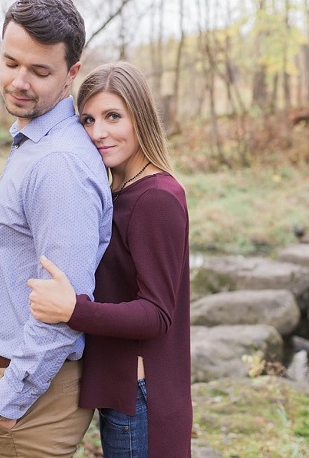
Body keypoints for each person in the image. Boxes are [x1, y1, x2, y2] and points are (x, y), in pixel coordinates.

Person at [0, 0, 113, 458]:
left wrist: (5, 405)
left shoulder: (59, 166)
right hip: (19, 389)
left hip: (28, 404)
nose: (18, 81)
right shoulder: (34, 141)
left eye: (39, 71)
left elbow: (64, 308)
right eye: (11, 62)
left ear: (72, 74)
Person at [27, 61, 192, 457]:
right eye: (88, 119)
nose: (98, 132)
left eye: (113, 116)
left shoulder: (155, 199)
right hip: (126, 391)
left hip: (140, 398)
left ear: (142, 118)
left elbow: (156, 315)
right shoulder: (120, 190)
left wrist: (73, 310)